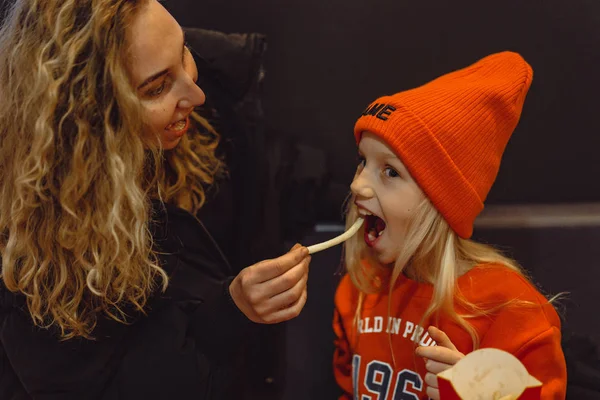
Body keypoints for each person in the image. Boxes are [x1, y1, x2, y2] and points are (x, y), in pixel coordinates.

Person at [0, 0, 310, 398]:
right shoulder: (30, 247)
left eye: (184, 50)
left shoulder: (209, 109)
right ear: (90, 117)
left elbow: (267, 188)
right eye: (157, 87)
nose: (196, 94)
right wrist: (229, 312)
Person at [332, 52, 567, 399]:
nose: (357, 185)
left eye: (390, 171)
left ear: (441, 201)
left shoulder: (509, 312)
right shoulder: (360, 288)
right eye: (362, 162)